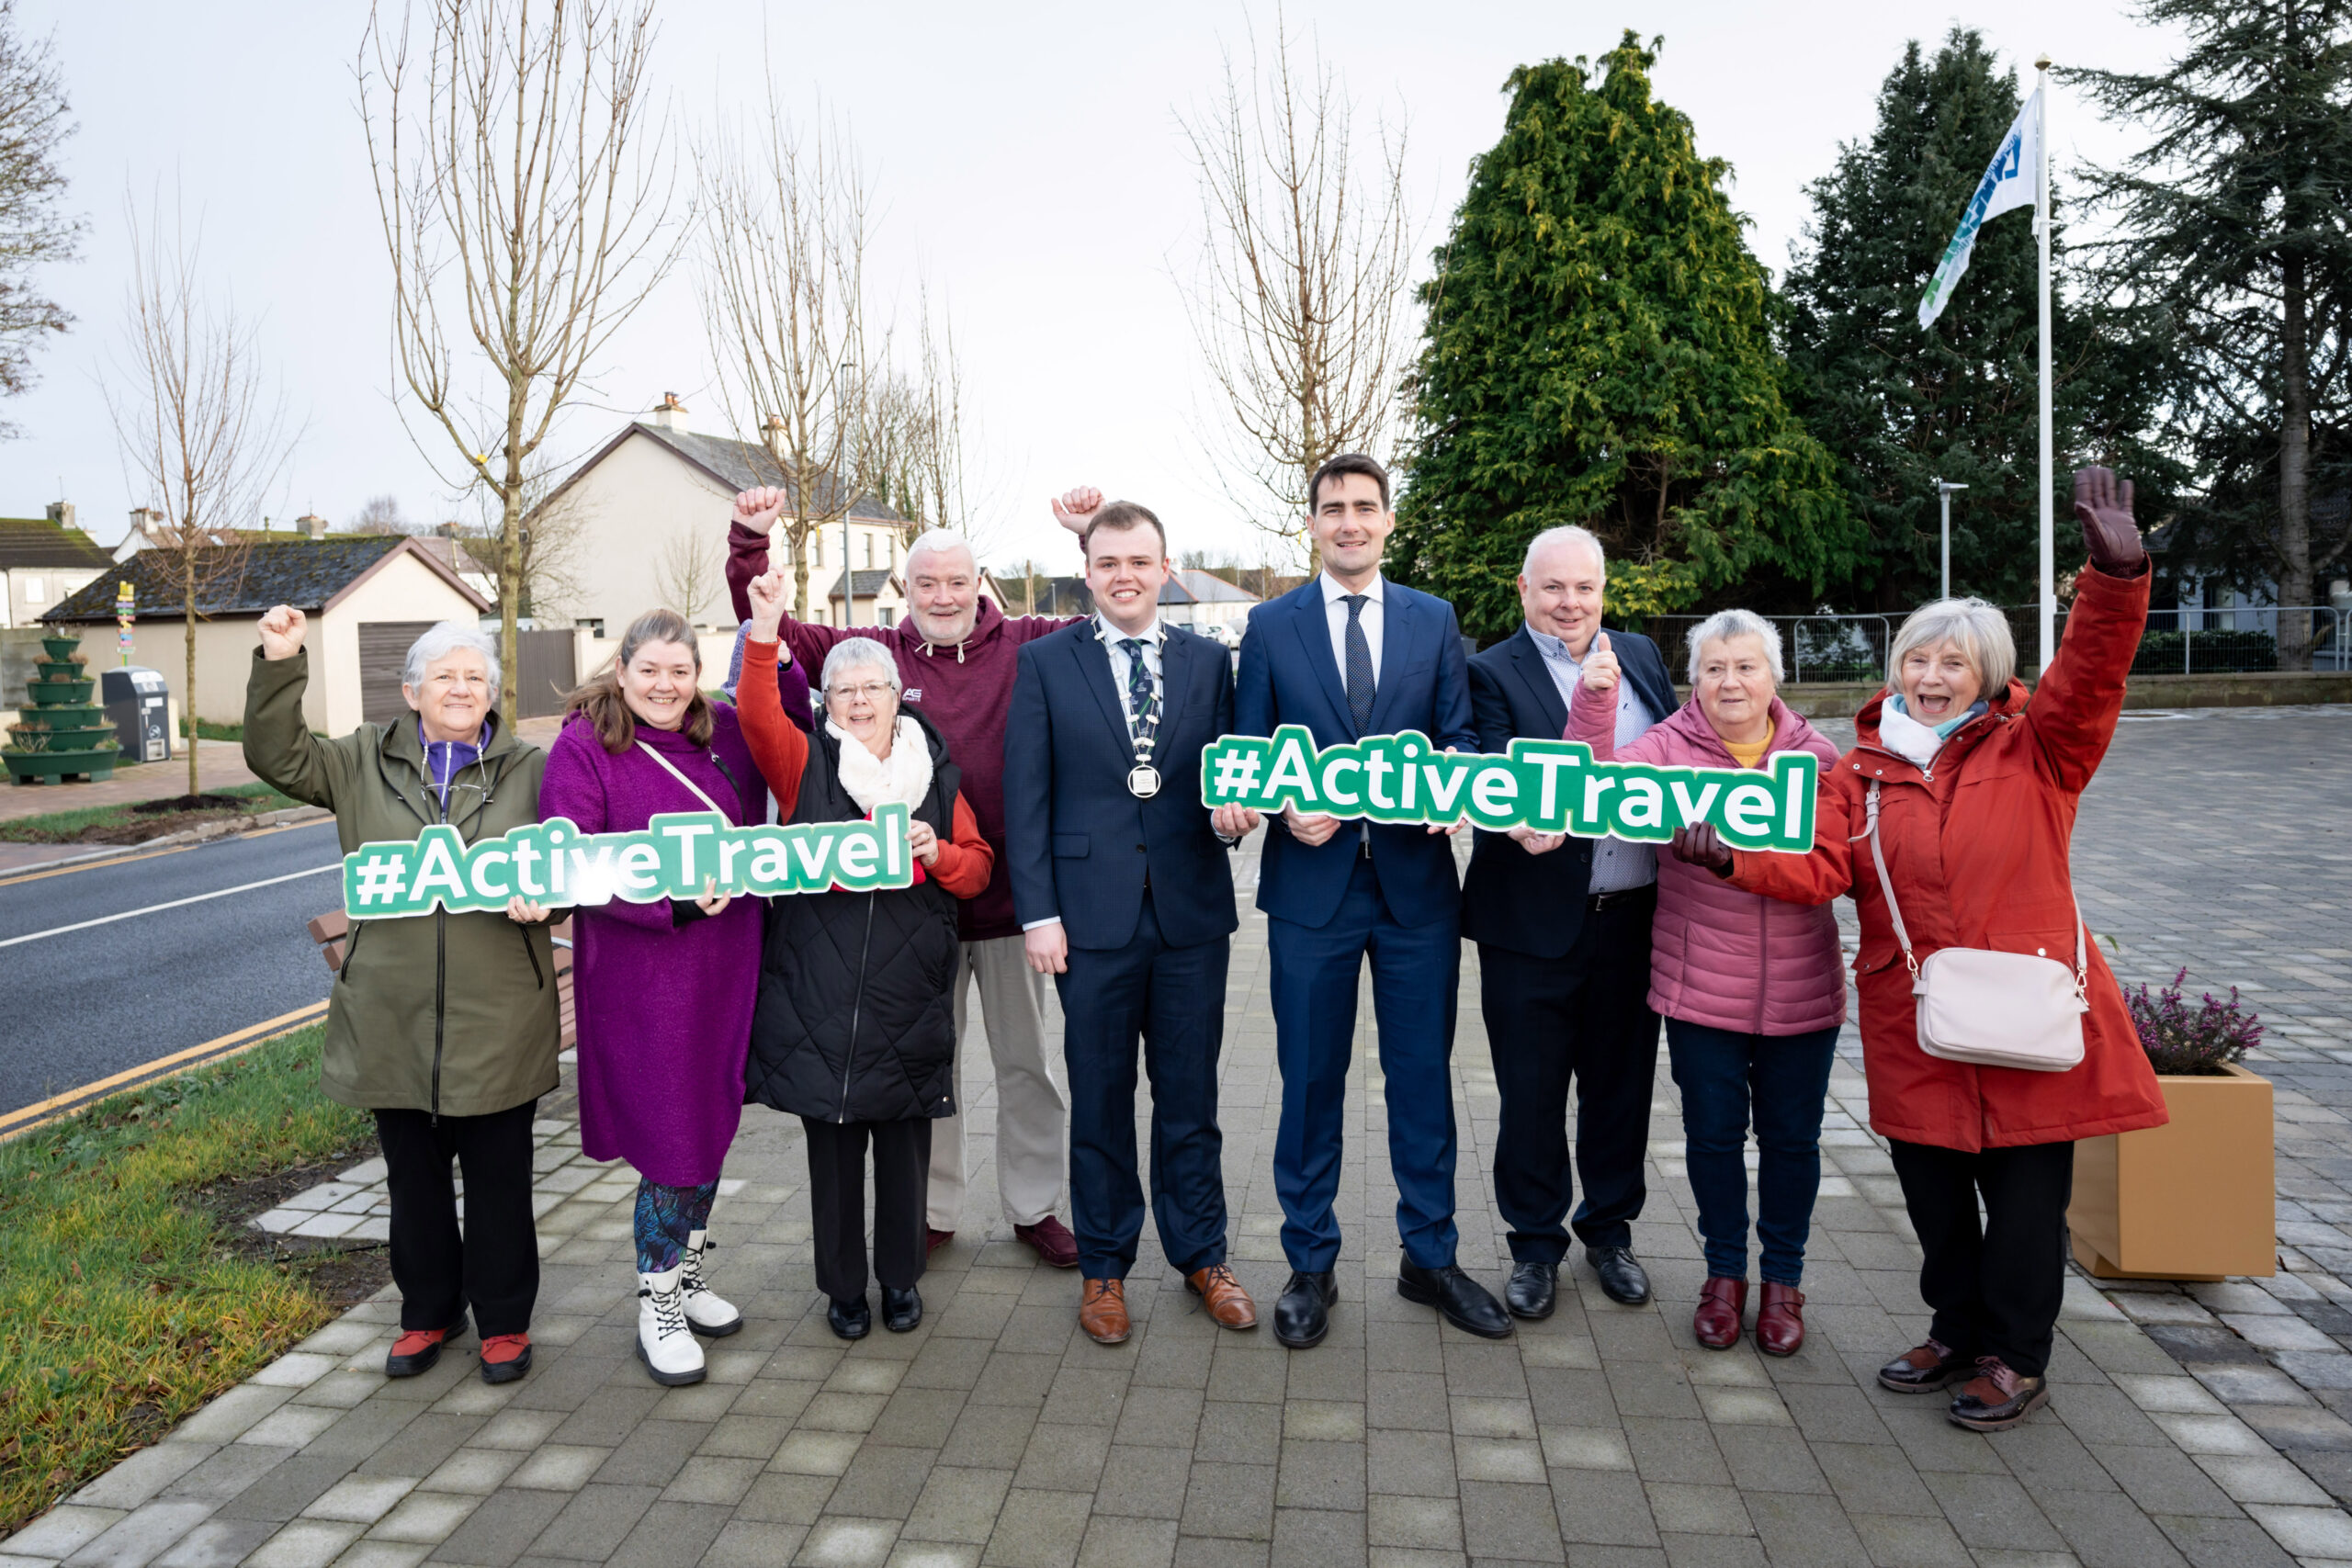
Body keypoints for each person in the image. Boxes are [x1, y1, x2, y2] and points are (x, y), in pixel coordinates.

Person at [1675, 467, 2165, 1431]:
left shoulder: (2041, 749)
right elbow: (1818, 870)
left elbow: (2092, 674)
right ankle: (1952, 1330)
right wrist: (1732, 861)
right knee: (1935, 1199)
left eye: (1954, 663)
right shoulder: (1854, 774)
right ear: (1894, 666)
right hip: (1917, 1019)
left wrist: (2115, 579)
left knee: (2024, 1208)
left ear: (1987, 672)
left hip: (2026, 1013)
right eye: (1916, 660)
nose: (1932, 678)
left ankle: (2015, 1357)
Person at [724, 492, 1086, 1267]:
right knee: (928, 1063)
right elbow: (769, 629)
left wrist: (1089, 536)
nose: (943, 597)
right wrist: (750, 541)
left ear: (979, 581)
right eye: (926, 584)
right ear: (905, 587)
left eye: (956, 581)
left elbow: (1107, 623)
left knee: (1026, 1062)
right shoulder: (871, 654)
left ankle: (1034, 1205)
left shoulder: (1028, 642)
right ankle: (932, 1207)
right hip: (909, 918)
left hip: (1010, 899)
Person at [243, 610, 556, 1386]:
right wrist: (281, 658)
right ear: (412, 689)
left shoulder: (532, 769)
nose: (460, 688)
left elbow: (573, 859)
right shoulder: (359, 761)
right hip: (391, 1012)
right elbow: (275, 753)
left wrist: (551, 899)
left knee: (499, 1178)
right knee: (412, 1178)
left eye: (474, 677)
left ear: (492, 693)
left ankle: (505, 1321)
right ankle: (428, 1311)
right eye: (444, 675)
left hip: (500, 1010)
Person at [1234, 452, 1503, 1348]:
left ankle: (1429, 1255)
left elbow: (1459, 738)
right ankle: (1311, 1265)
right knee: (1310, 1081)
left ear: (1388, 520)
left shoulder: (1434, 620)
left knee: (1423, 1079)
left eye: (1364, 507)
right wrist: (1280, 802)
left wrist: (1454, 784)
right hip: (1310, 892)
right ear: (1309, 523)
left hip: (1415, 892)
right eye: (1332, 508)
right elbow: (1247, 748)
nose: (1349, 521)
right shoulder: (1272, 627)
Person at [1003, 498, 1261, 1345]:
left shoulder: (1205, 661)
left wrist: (1236, 813)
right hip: (1088, 921)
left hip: (1189, 915)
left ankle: (1201, 1255)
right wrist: (1037, 913)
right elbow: (1026, 799)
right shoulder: (1045, 664)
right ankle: (1106, 1267)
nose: (1124, 576)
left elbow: (1227, 778)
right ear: (1088, 572)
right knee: (1103, 1099)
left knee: (1191, 1097)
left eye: (1138, 561)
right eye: (1108, 562)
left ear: (1164, 568)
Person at [1567, 610, 1844, 1355]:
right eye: (1716, 667)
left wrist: (1735, 861)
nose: (1731, 681)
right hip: (1699, 990)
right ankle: (1725, 1278)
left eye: (1747, 666)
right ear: (1696, 678)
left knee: (1793, 1143)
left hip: (1801, 992)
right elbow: (1584, 789)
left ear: (1773, 675)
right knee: (1713, 1139)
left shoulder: (1815, 758)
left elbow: (1831, 871)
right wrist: (1593, 703)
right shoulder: (1665, 748)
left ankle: (1783, 1281)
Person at [736, 581, 996, 1339]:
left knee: (906, 1154)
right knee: (835, 1155)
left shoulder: (934, 773)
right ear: (825, 702)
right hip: (822, 998)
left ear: (896, 695)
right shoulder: (803, 764)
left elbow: (977, 869)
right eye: (842, 689)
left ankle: (901, 1281)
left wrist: (939, 851)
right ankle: (844, 1290)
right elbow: (756, 713)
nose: (858, 700)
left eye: (871, 687)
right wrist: (762, 627)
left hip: (909, 996)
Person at [539, 608, 782, 1387]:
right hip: (644, 974)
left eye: (680, 671)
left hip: (726, 960)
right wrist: (666, 904)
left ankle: (687, 1272)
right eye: (650, 670)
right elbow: (569, 857)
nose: (665, 686)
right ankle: (657, 1301)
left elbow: (790, 706)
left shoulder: (725, 732)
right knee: (673, 1137)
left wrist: (768, 623)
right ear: (622, 668)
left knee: (710, 1124)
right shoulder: (586, 743)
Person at [1461, 527, 1679, 1321]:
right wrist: (1514, 815)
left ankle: (1610, 1232)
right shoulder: (1487, 672)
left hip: (1634, 916)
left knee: (1621, 1087)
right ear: (1523, 590)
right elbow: (1484, 772)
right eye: (1553, 588)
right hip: (1530, 925)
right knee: (1531, 1091)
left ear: (1604, 589)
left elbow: (1681, 751)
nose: (1569, 603)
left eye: (1584, 588)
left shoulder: (1642, 657)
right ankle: (1533, 1244)